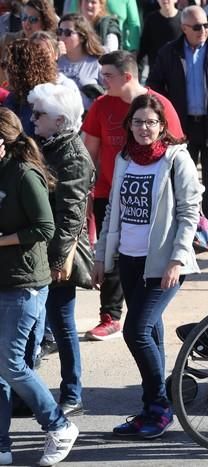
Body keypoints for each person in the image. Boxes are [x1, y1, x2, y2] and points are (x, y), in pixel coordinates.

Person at [92, 93, 202, 439]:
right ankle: (149, 409)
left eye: (151, 122)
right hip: (129, 259)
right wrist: (101, 256)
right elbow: (113, 209)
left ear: (162, 126)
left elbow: (189, 212)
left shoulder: (176, 159)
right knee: (150, 331)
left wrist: (177, 258)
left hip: (164, 263)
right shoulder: (125, 157)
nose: (144, 128)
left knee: (135, 331)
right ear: (129, 125)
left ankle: (159, 406)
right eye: (138, 122)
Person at [82, 50, 184, 341]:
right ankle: (110, 315)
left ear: (127, 76)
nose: (102, 81)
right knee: (111, 257)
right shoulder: (101, 106)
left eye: (108, 76)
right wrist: (87, 190)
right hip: (109, 193)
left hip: (153, 199)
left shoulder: (159, 105)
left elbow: (177, 150)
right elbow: (88, 150)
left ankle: (144, 323)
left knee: (144, 272)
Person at [0, 106, 79, 467]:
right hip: (4, 281)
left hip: (26, 283)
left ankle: (59, 426)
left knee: (11, 363)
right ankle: (2, 445)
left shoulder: (24, 174)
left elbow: (44, 228)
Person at [147, 5, 208, 249]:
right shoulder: (169, 53)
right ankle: (182, 233)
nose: (204, 30)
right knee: (181, 183)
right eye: (198, 27)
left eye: (207, 25)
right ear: (184, 28)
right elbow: (154, 85)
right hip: (181, 130)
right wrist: (165, 116)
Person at [27, 82, 95, 418]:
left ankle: (72, 394)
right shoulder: (42, 144)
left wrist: (59, 260)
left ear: (59, 120)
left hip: (58, 254)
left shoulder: (74, 156)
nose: (33, 118)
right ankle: (29, 392)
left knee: (62, 324)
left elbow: (72, 213)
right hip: (36, 249)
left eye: (39, 113)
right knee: (34, 325)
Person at [2, 38, 59, 137]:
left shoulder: (46, 99)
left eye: (5, 65)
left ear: (19, 68)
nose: (4, 70)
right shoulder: (14, 97)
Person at [0, 0, 58, 86]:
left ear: (44, 22)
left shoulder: (50, 45)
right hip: (8, 93)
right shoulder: (8, 40)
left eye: (33, 19)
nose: (27, 23)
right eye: (24, 17)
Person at [57, 13, 105, 110]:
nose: (62, 36)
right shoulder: (55, 60)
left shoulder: (97, 63)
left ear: (82, 37)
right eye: (59, 31)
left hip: (86, 118)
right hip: (58, 117)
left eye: (67, 33)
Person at [137, 0, 182, 79]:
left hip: (178, 72)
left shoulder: (183, 19)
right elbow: (143, 47)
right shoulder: (151, 19)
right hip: (156, 72)